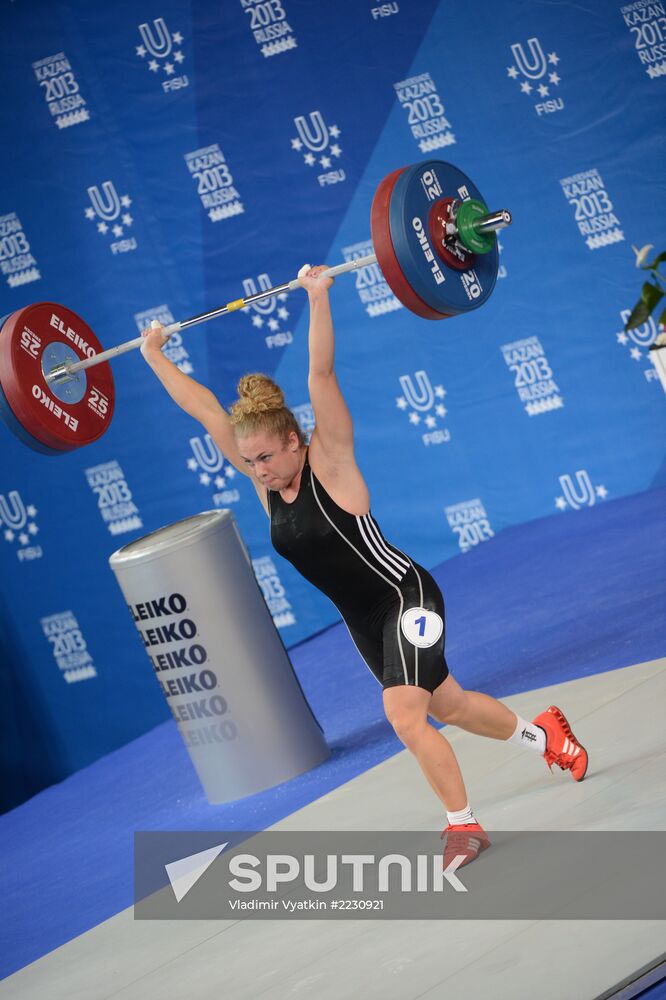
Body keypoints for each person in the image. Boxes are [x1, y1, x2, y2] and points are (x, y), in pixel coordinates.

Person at [140, 265, 588, 868]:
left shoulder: (330, 457)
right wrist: (153, 355)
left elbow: (320, 372)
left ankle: (464, 826)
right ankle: (547, 737)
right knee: (446, 705)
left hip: (407, 598)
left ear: (295, 440)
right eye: (251, 461)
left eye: (268, 456)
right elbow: (206, 413)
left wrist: (318, 297)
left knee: (403, 716)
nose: (260, 469)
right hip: (362, 620)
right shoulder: (265, 484)